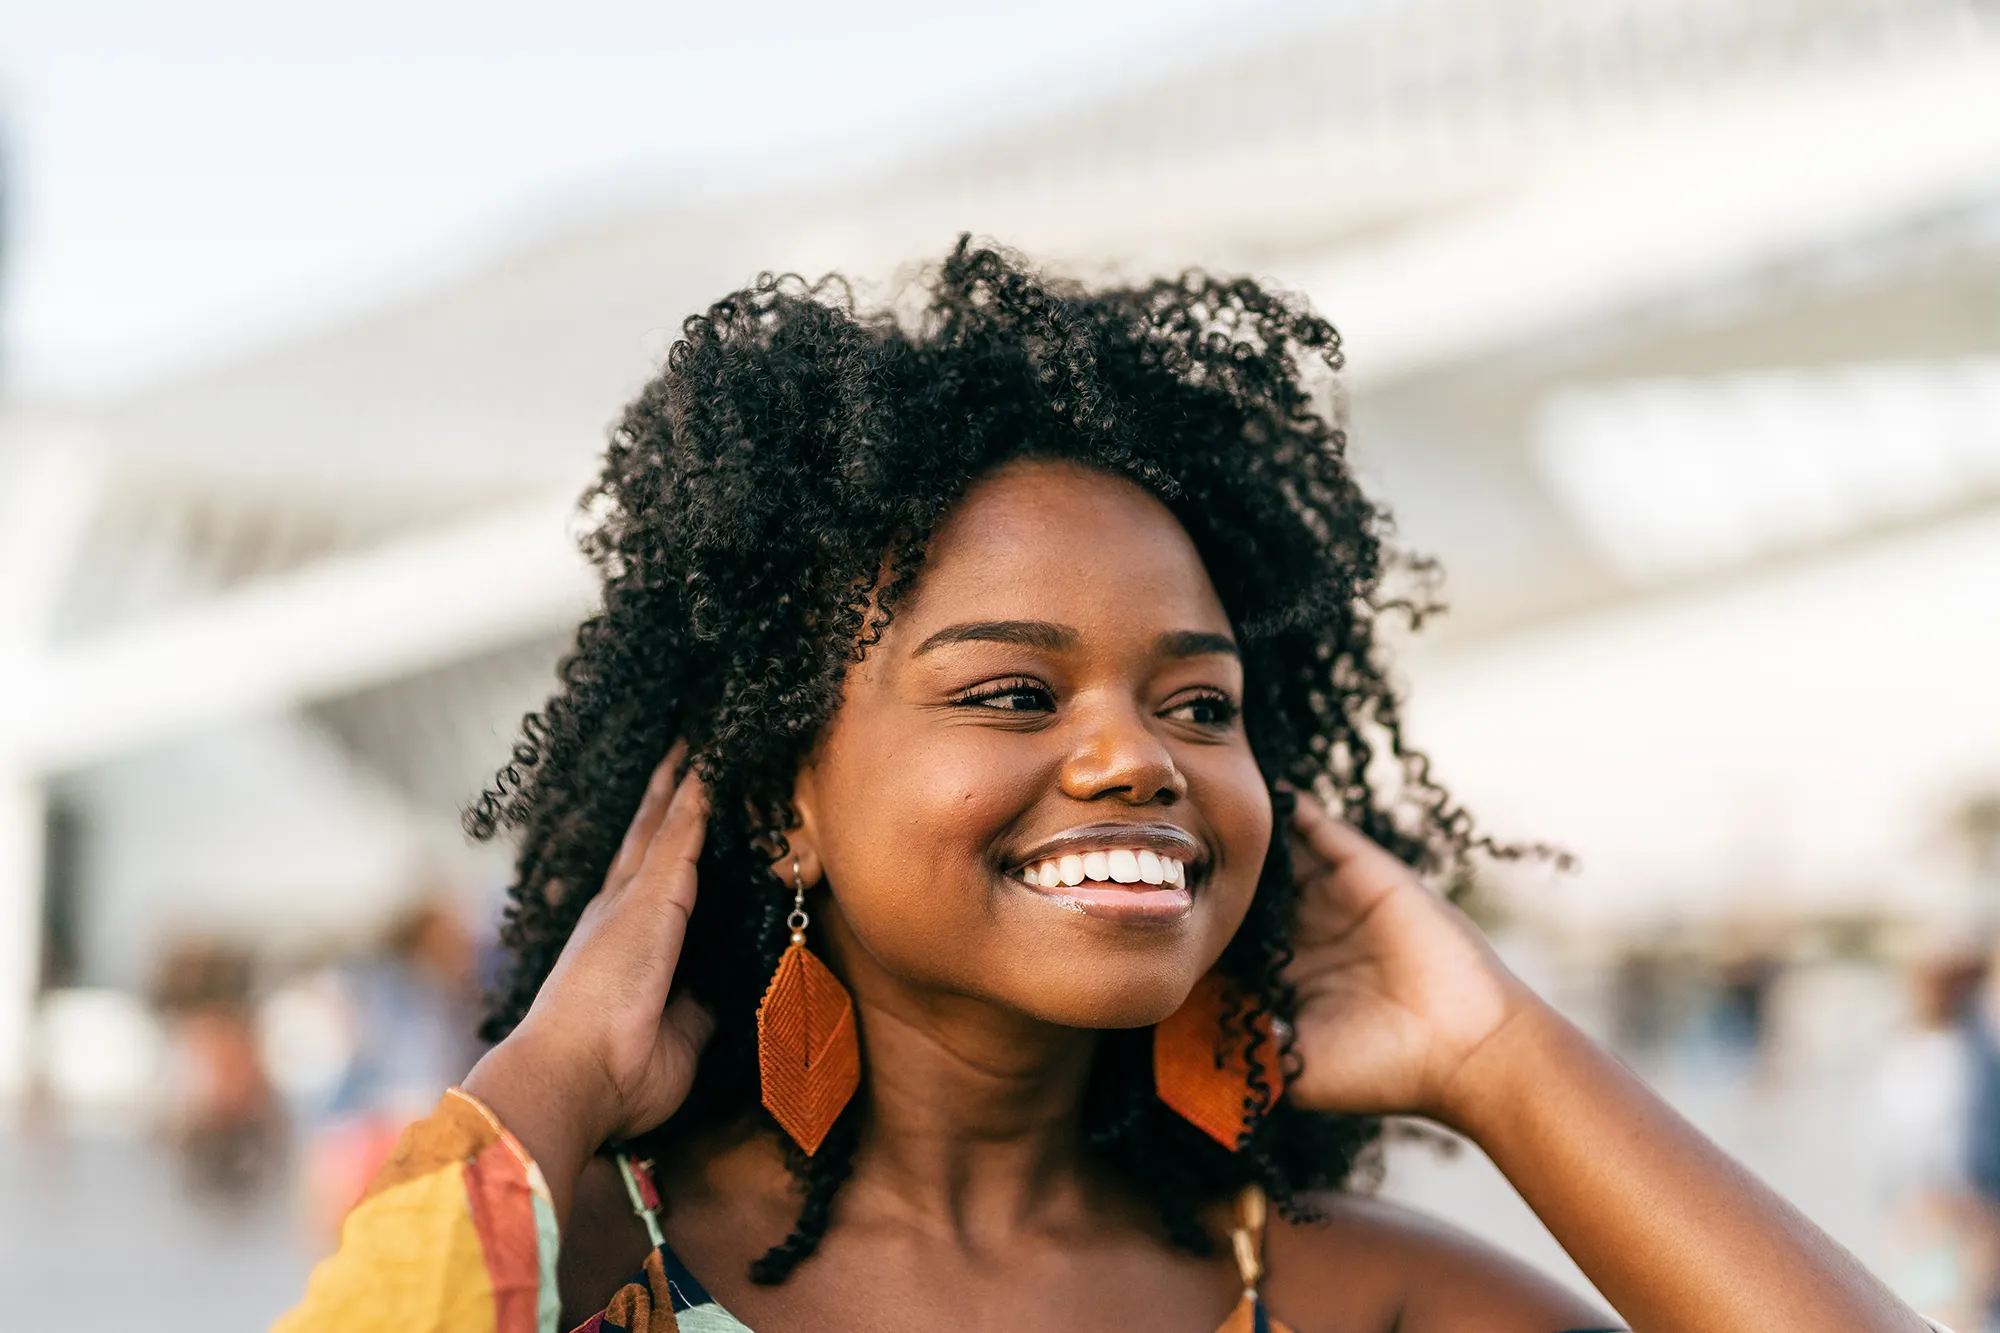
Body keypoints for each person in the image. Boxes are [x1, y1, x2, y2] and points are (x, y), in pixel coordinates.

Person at [271, 241, 1942, 1332]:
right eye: (1011, 689)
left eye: (1201, 705)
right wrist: (550, 1078)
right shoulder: (573, 1274)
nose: (1135, 754)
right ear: (787, 804)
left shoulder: (1342, 1305)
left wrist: (1503, 1061)